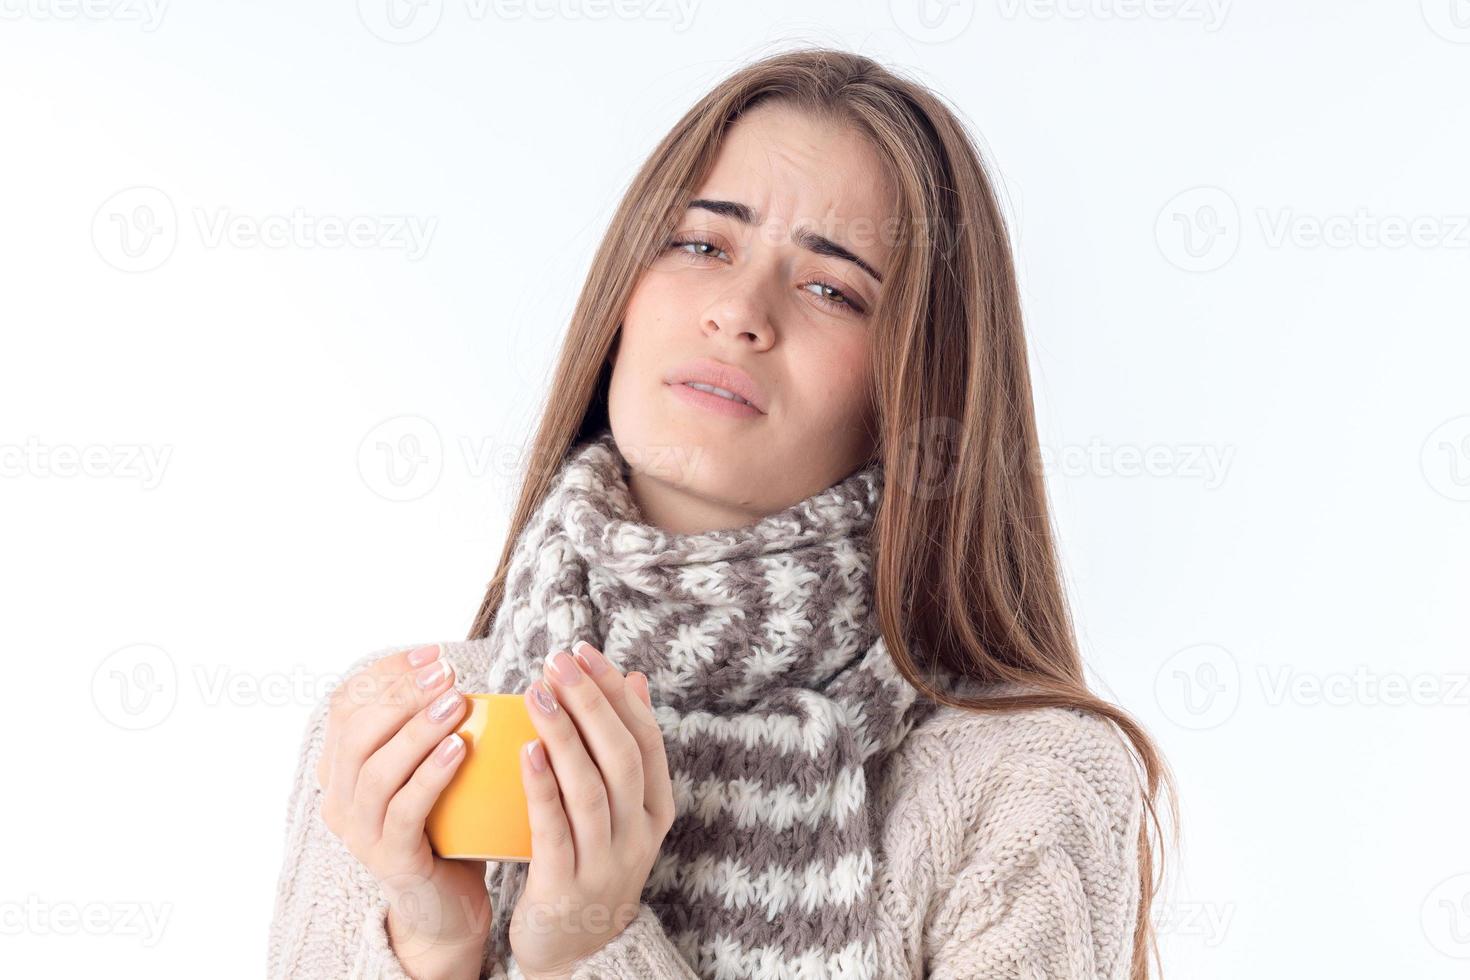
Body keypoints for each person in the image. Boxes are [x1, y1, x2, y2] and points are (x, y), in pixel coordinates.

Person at [267, 46, 1174, 980]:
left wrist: (592, 945)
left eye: (832, 288)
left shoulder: (1029, 776)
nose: (740, 310)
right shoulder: (406, 734)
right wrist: (430, 942)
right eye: (702, 244)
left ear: (917, 384)